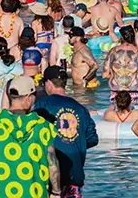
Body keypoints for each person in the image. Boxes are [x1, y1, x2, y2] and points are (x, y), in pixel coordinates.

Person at [0, 76, 59, 198]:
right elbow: (52, 164)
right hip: (33, 192)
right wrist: (56, 191)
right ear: (28, 97)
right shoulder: (42, 126)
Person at [34, 65, 98, 198]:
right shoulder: (80, 108)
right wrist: (73, 142)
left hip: (49, 176)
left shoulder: (42, 106)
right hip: (75, 174)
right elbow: (92, 139)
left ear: (49, 83)